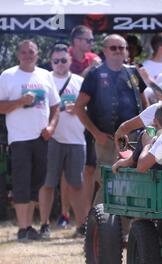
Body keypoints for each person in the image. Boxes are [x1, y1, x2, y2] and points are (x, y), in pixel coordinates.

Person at [0, 40, 61, 242]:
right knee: (21, 183)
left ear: (37, 54)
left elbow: (56, 106)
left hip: (42, 137)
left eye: (31, 52)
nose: (27, 55)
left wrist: (51, 128)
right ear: (18, 54)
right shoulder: (8, 75)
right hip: (19, 138)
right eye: (24, 52)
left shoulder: (45, 75)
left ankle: (30, 227)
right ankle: (22, 229)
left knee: (36, 184)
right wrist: (20, 102)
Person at [75, 34, 147, 206]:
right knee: (108, 181)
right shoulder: (95, 74)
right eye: (113, 48)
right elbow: (79, 108)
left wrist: (147, 132)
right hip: (106, 139)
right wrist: (96, 133)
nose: (118, 51)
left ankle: (126, 230)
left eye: (121, 48)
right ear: (105, 51)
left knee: (131, 180)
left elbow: (145, 105)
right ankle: (98, 226)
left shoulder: (133, 73)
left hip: (131, 138)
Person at [37, 44, 87, 239]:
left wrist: (79, 109)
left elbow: (91, 109)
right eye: (55, 61)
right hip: (52, 139)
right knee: (48, 183)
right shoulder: (44, 80)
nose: (59, 64)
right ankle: (44, 225)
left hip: (76, 139)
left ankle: (82, 225)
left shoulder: (80, 82)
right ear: (51, 62)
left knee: (77, 184)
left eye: (63, 60)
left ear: (70, 61)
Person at [62, 25, 101, 228]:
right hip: (66, 123)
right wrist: (89, 70)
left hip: (87, 119)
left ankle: (85, 216)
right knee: (68, 170)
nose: (91, 44)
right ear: (76, 41)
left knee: (89, 169)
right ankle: (65, 213)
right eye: (88, 40)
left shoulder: (93, 58)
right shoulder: (64, 57)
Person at [112, 103, 162, 172]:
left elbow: (136, 165)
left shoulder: (149, 133)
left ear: (154, 121)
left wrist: (147, 144)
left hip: (154, 181)